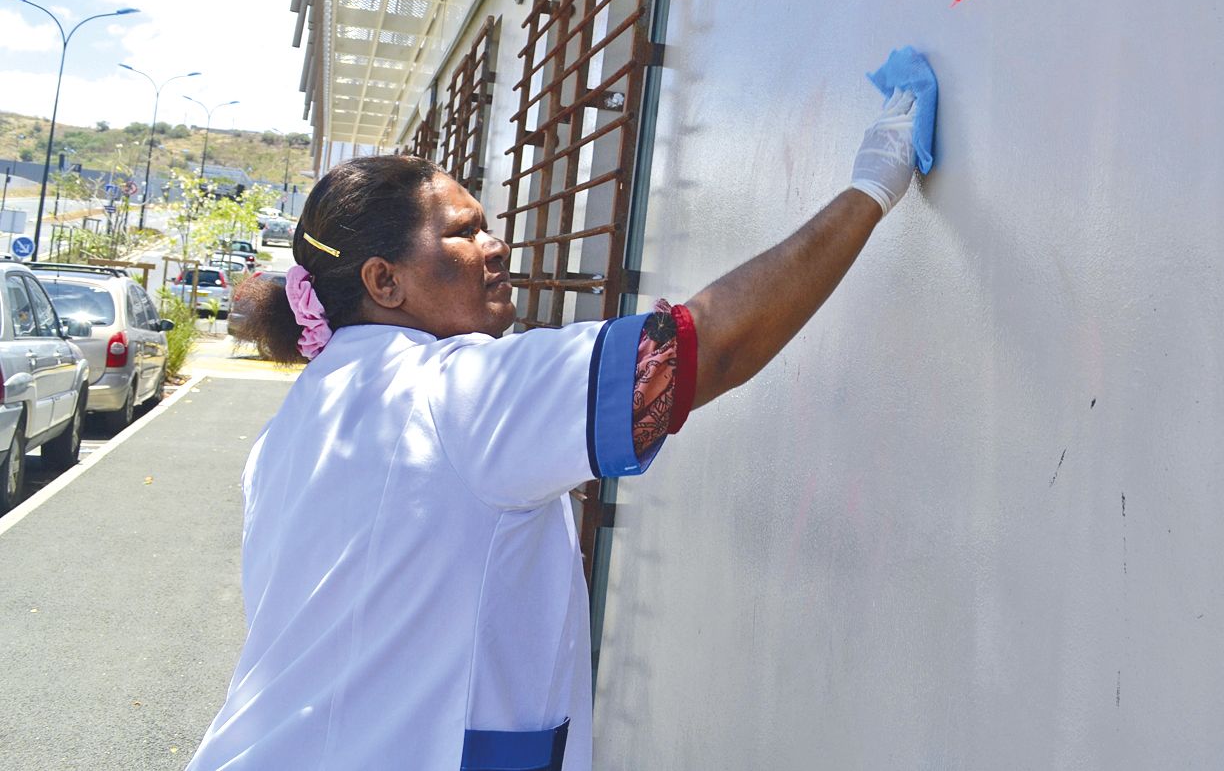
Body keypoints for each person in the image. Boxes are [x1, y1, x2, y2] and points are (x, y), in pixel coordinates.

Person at [187, 89, 922, 771]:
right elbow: (702, 350)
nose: (496, 244)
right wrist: (870, 191)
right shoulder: (455, 391)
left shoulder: (287, 431)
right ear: (385, 283)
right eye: (463, 233)